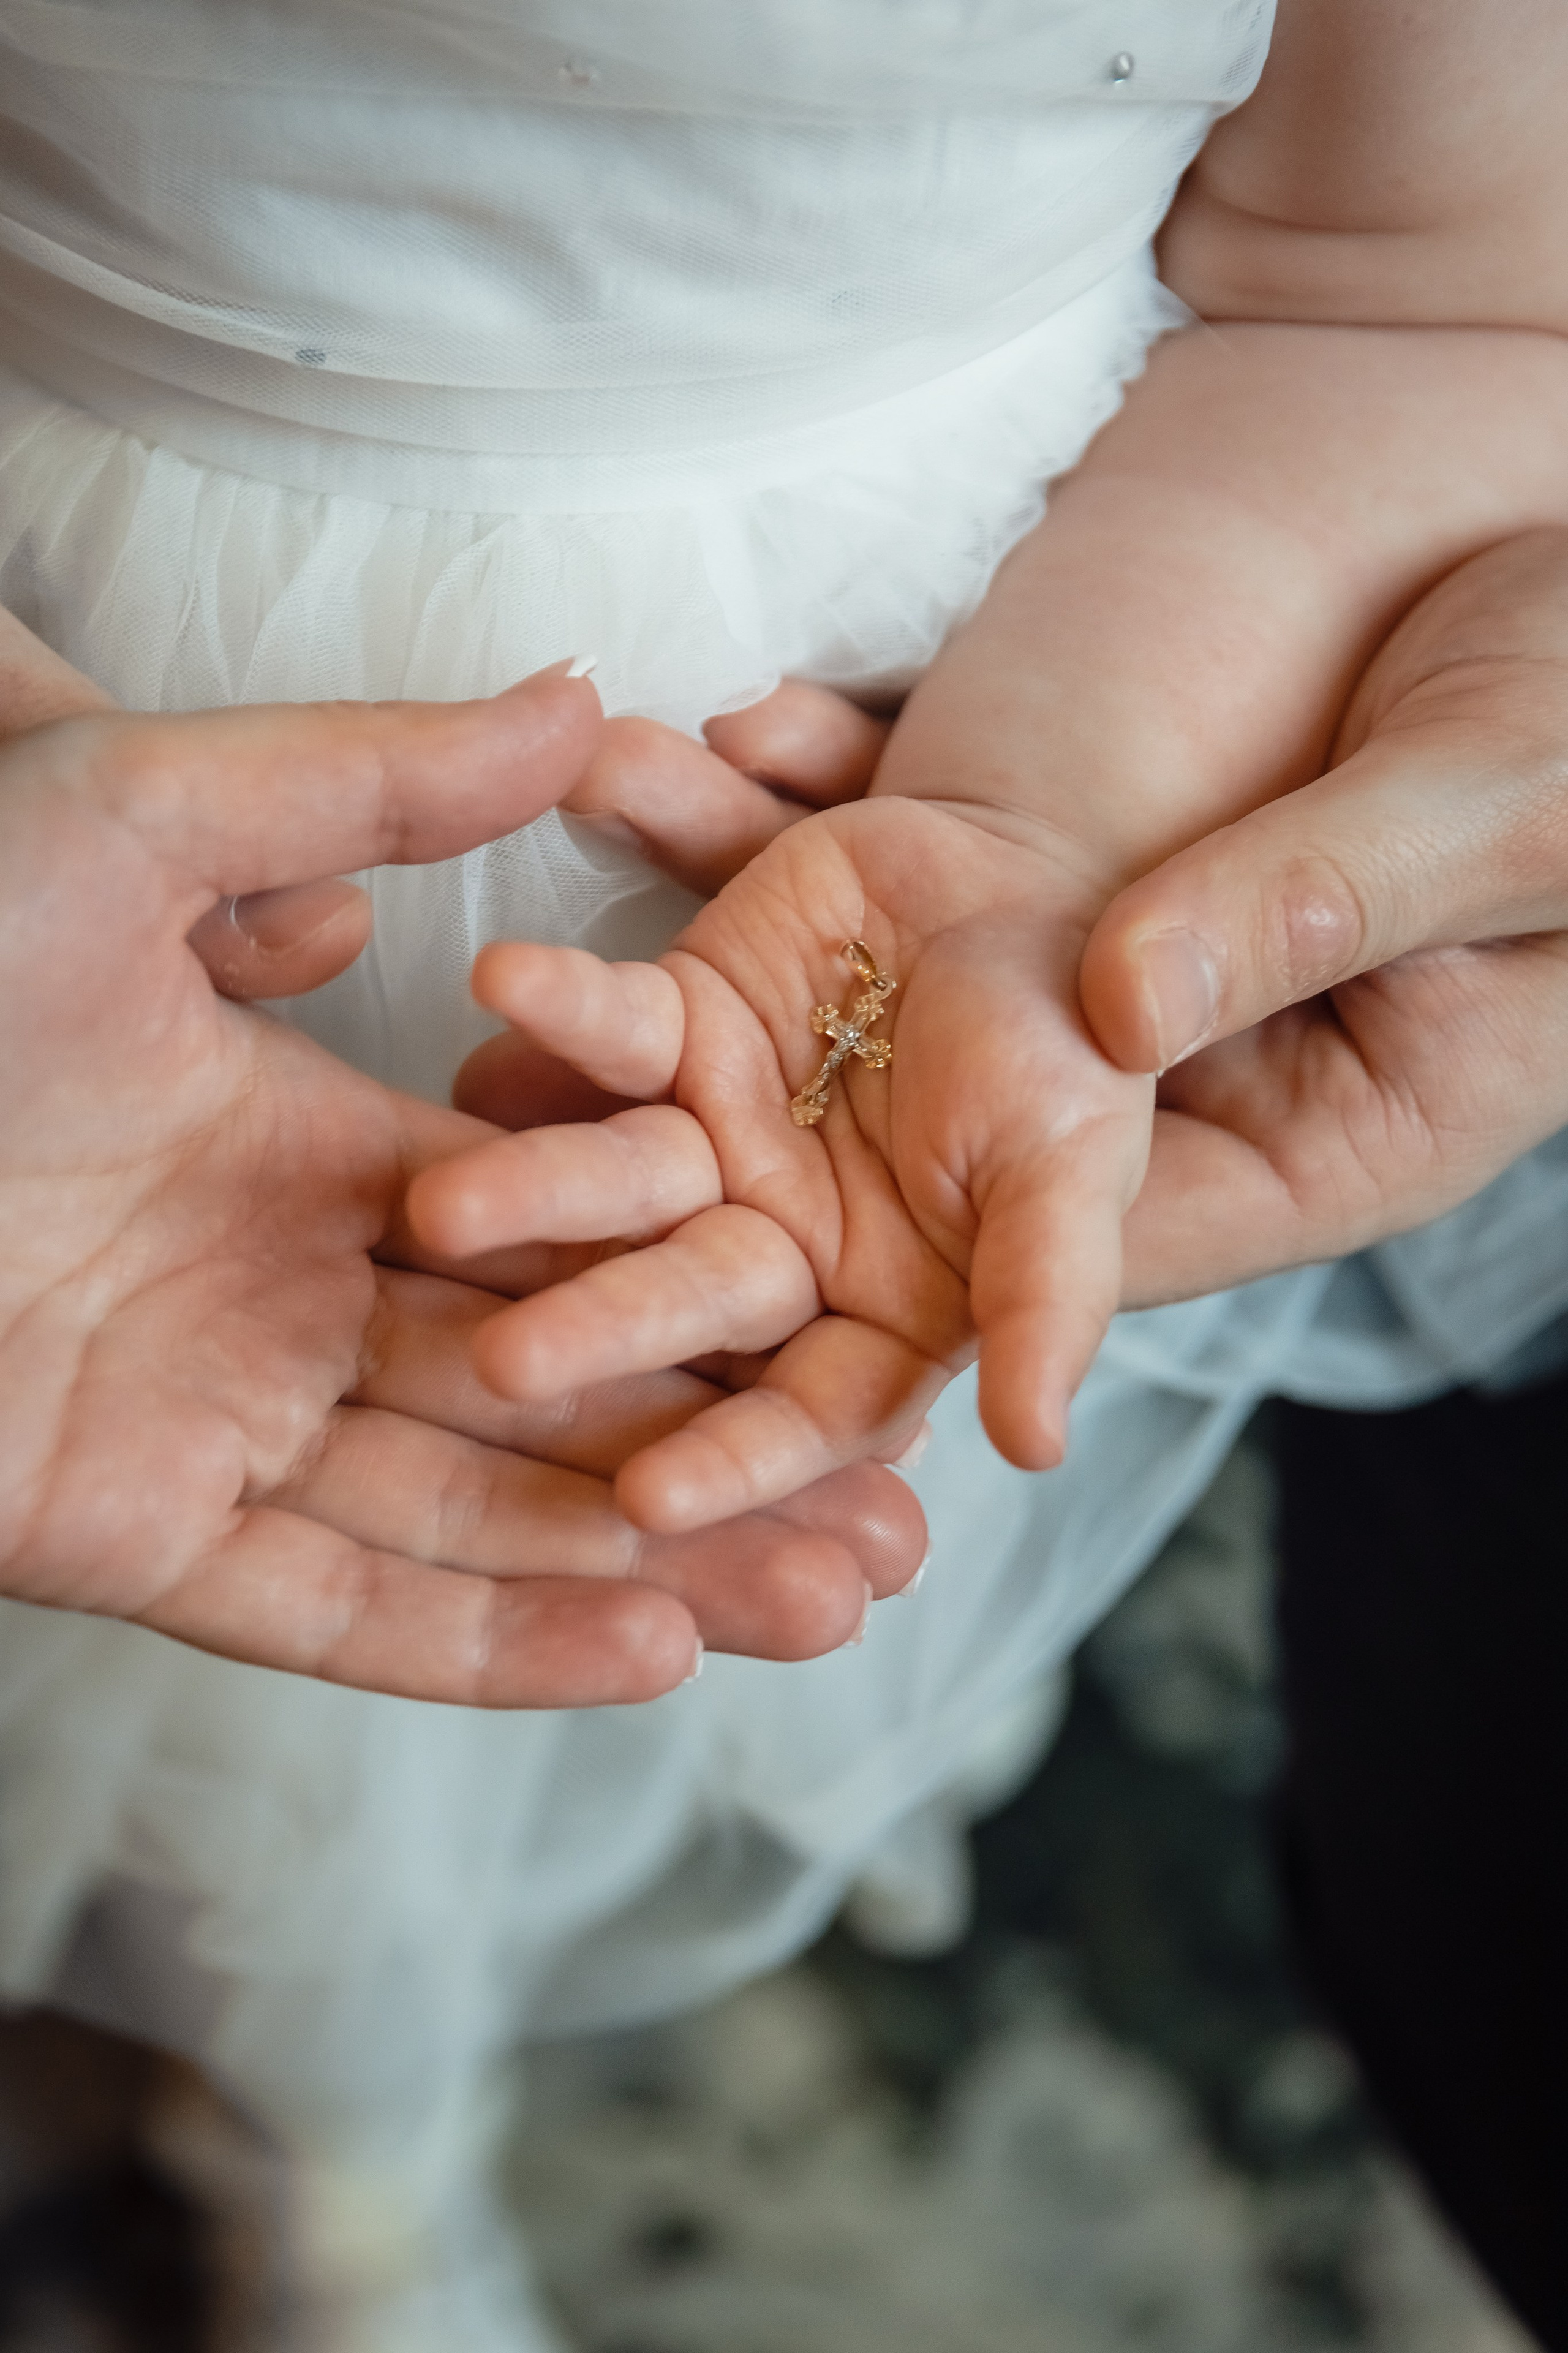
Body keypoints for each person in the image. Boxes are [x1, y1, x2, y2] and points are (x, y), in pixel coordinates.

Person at [3, 4, 1568, 2345]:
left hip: (1014, 677)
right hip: (85, 635)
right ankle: (320, 2098)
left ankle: (347, 2113)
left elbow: (1408, 280)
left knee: (607, 1536)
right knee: (221, 1532)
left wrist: (1058, 816)